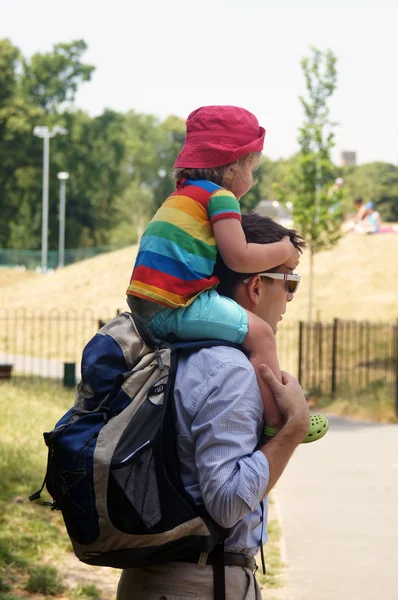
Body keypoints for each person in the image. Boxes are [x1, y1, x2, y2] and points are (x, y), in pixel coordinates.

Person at [117, 212, 312, 599]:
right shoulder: (230, 371)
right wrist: (293, 430)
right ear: (256, 286)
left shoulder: (178, 351)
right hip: (200, 583)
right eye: (290, 282)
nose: (290, 297)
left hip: (161, 577)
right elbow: (226, 502)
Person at [126, 105, 325, 440]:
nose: (254, 177)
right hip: (178, 304)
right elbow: (239, 258)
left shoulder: (182, 195)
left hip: (146, 306)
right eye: (253, 167)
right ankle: (277, 423)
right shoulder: (220, 198)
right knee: (261, 335)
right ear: (234, 168)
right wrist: (285, 249)